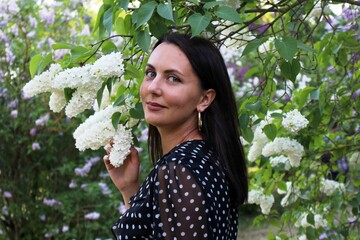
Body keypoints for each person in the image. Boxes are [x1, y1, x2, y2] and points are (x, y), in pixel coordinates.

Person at [103, 32, 248, 239]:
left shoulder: (179, 170)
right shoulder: (206, 157)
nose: (153, 88)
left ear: (204, 99)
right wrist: (129, 188)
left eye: (173, 79)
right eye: (151, 73)